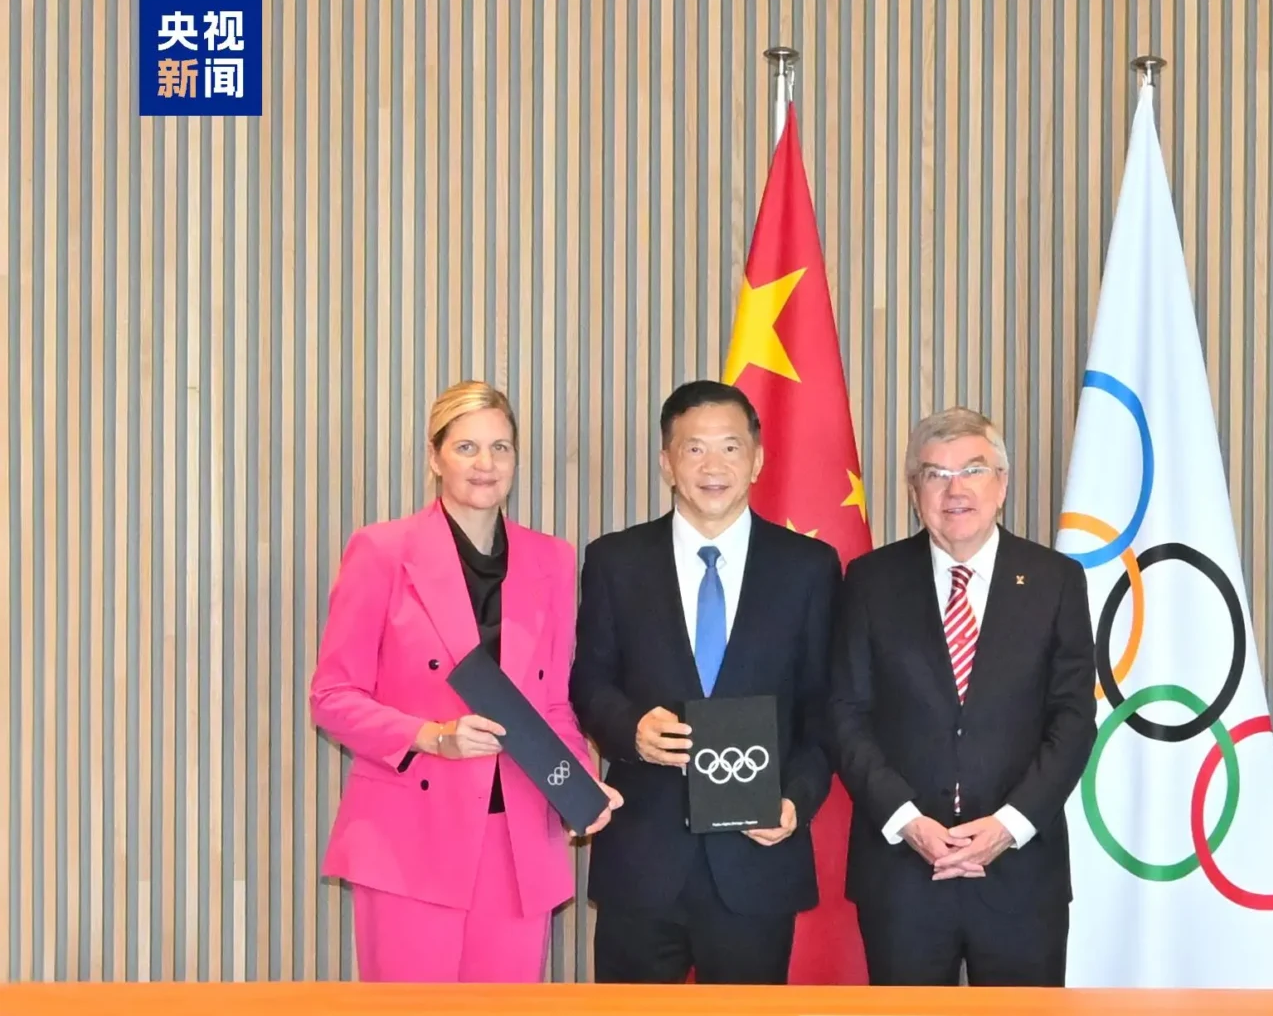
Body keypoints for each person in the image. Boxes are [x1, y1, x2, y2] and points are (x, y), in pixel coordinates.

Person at [309, 379, 622, 983]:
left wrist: (580, 787)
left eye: (500, 448)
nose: (486, 464)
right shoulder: (382, 550)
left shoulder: (553, 559)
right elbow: (332, 697)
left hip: (518, 838)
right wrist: (433, 736)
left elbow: (553, 704)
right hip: (411, 837)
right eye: (467, 447)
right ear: (435, 457)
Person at [569, 379, 843, 985]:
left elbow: (825, 709)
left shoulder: (809, 568)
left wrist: (795, 801)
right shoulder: (616, 560)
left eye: (730, 447)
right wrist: (630, 730)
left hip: (756, 860)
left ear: (758, 459)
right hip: (643, 863)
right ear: (667, 463)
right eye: (694, 449)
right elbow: (589, 682)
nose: (713, 466)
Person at [828, 406, 1097, 987]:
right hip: (902, 873)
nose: (955, 490)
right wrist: (907, 821)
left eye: (973, 470)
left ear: (1002, 484)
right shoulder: (870, 581)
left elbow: (1074, 718)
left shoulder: (1055, 580)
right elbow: (846, 714)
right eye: (936, 474)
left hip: (1021, 872)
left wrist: (1009, 824)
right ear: (914, 492)